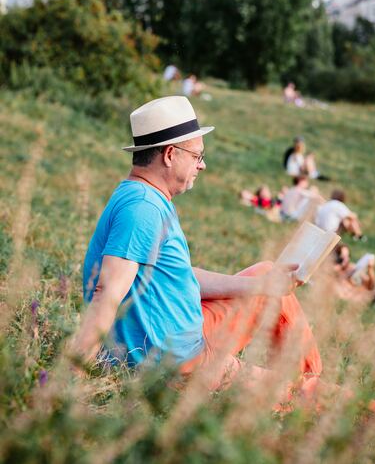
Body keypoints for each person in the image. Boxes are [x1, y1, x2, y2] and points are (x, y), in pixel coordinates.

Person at [70, 96, 323, 408]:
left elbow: (175, 276)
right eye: (197, 155)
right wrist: (75, 377)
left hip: (181, 334)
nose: (202, 164)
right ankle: (324, 400)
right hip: (179, 366)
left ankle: (306, 380)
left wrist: (259, 286)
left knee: (267, 275)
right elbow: (106, 291)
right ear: (170, 154)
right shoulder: (144, 210)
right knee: (312, 396)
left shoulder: (143, 196)